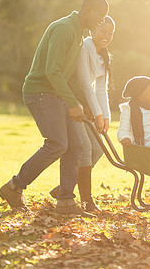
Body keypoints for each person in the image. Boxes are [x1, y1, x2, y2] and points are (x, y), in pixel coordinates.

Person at [0, 0, 109, 217]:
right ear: (88, 9)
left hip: (55, 93)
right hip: (40, 92)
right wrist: (72, 103)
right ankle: (13, 187)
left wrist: (80, 103)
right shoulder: (64, 29)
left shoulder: (78, 33)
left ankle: (66, 202)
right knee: (58, 144)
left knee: (76, 146)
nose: (100, 22)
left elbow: (66, 76)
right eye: (100, 16)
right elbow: (52, 71)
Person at [49, 16, 115, 212]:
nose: (106, 36)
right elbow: (85, 84)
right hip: (75, 103)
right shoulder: (85, 47)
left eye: (110, 33)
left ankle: (64, 186)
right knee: (85, 148)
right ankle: (87, 201)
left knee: (99, 147)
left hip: (88, 104)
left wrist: (106, 115)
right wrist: (97, 114)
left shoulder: (104, 55)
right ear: (93, 30)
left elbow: (101, 89)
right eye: (103, 31)